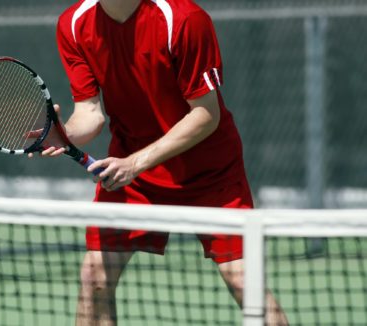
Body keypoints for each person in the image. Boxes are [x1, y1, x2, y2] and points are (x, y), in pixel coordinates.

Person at [29, 0, 289, 325]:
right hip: (134, 175)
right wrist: (64, 134)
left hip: (210, 173)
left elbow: (206, 115)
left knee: (244, 283)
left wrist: (133, 164)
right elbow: (91, 114)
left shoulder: (184, 20)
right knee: (95, 276)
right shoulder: (73, 25)